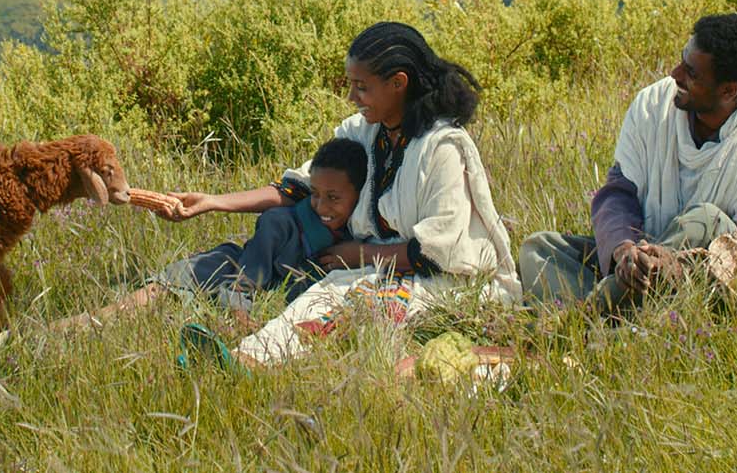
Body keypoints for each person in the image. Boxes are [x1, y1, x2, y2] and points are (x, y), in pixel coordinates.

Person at [170, 21, 522, 367]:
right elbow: (299, 188)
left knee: (361, 303)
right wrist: (213, 202)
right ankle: (241, 360)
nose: (352, 97)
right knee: (321, 297)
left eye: (361, 87)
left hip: (443, 281)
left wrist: (361, 254)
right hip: (372, 267)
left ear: (398, 83)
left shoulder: (441, 147)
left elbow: (438, 252)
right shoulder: (364, 132)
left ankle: (253, 365)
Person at [518, 13, 737, 309]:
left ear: (728, 90)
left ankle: (588, 315)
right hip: (640, 259)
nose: (675, 75)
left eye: (692, 73)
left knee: (706, 220)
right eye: (682, 61)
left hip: (706, 280)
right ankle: (614, 313)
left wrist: (674, 264)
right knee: (539, 248)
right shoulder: (654, 106)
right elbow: (618, 192)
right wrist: (625, 250)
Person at [145, 137, 367, 312]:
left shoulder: (361, 239)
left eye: (333, 198)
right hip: (240, 272)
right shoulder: (282, 224)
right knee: (171, 283)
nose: (321, 206)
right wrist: (239, 311)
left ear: (360, 195)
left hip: (280, 299)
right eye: (315, 194)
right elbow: (246, 277)